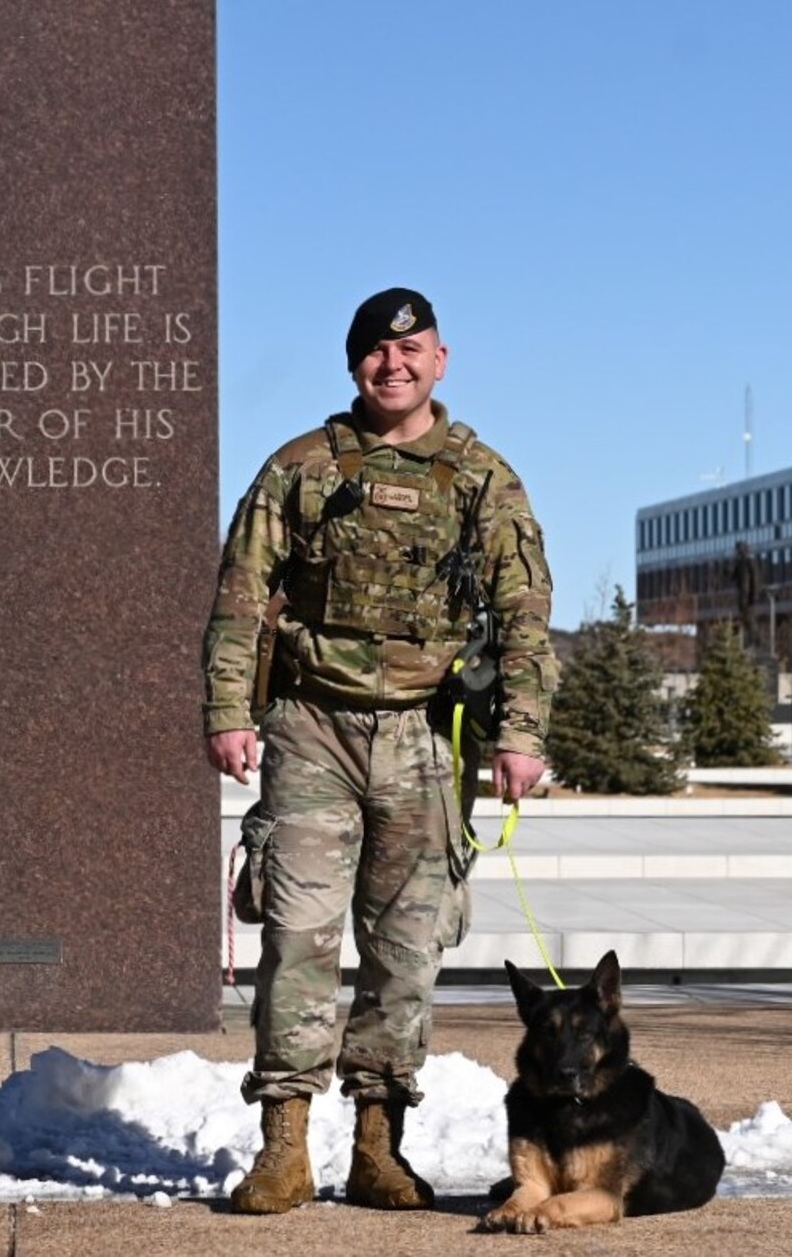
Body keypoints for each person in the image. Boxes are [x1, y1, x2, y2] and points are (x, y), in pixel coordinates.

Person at [203, 288, 557, 1215]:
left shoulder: (483, 478)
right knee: (298, 941)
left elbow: (524, 611)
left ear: (442, 358)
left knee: (406, 950)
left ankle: (378, 1145)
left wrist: (520, 733)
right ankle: (283, 1146)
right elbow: (242, 592)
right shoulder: (302, 467)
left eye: (411, 352)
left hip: (426, 736)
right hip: (311, 724)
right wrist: (228, 710)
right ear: (354, 363)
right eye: (375, 353)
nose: (392, 366)